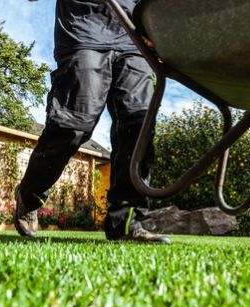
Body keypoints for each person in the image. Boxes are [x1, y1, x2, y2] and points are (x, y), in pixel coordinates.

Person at [14, 0, 170, 243]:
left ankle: (126, 222)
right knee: (73, 124)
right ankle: (29, 195)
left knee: (140, 125)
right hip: (84, 31)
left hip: (134, 40)